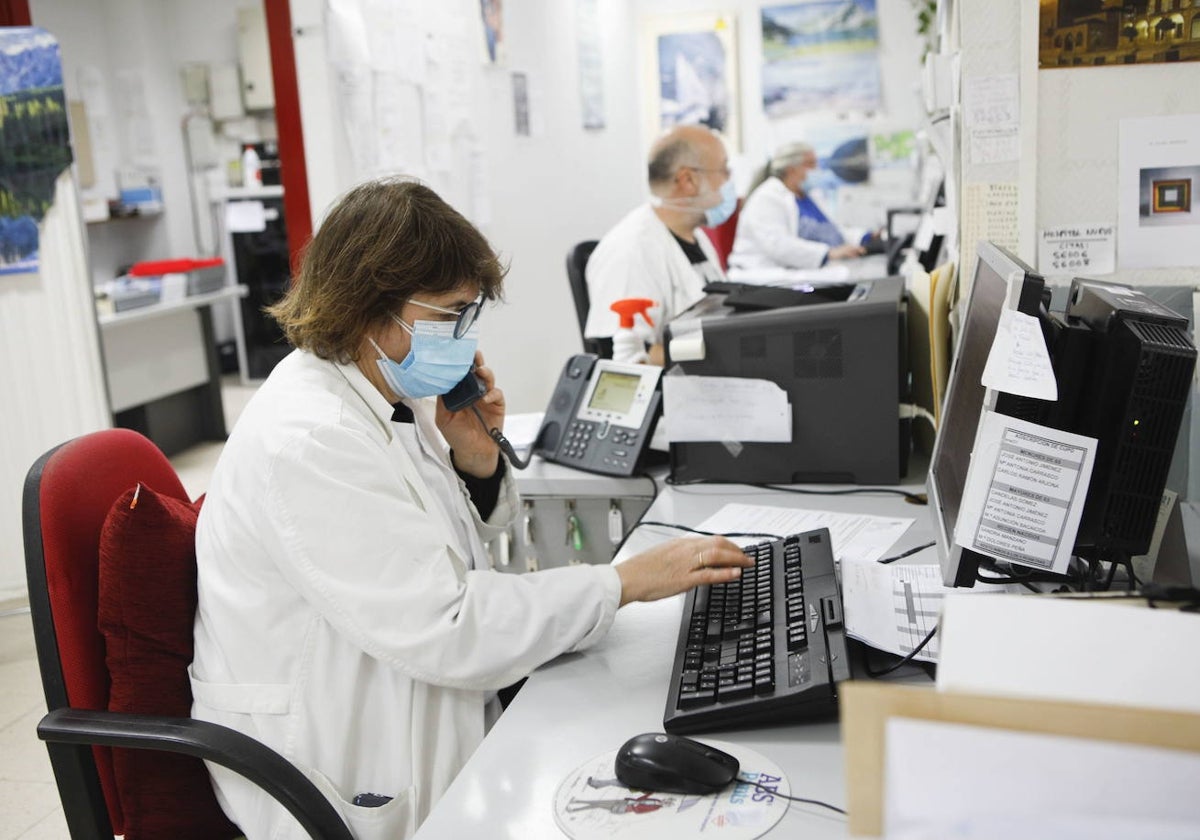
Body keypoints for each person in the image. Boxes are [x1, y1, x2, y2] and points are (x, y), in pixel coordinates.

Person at [189, 178, 751, 840]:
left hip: (413, 687)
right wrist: (624, 582)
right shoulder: (308, 438)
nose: (464, 335)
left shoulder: (382, 396)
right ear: (371, 307)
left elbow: (451, 559)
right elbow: (448, 623)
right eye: (449, 314)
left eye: (470, 314)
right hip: (329, 758)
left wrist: (475, 463)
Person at [584, 124, 735, 365]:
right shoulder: (632, 248)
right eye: (724, 170)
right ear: (688, 180)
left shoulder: (695, 236)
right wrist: (726, 354)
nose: (729, 180)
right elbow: (623, 354)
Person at [728, 141, 877, 272]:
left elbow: (830, 230)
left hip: (812, 267)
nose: (817, 169)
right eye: (811, 164)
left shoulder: (810, 195)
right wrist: (828, 253)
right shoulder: (767, 198)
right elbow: (778, 245)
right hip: (766, 272)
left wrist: (865, 237)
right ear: (791, 169)